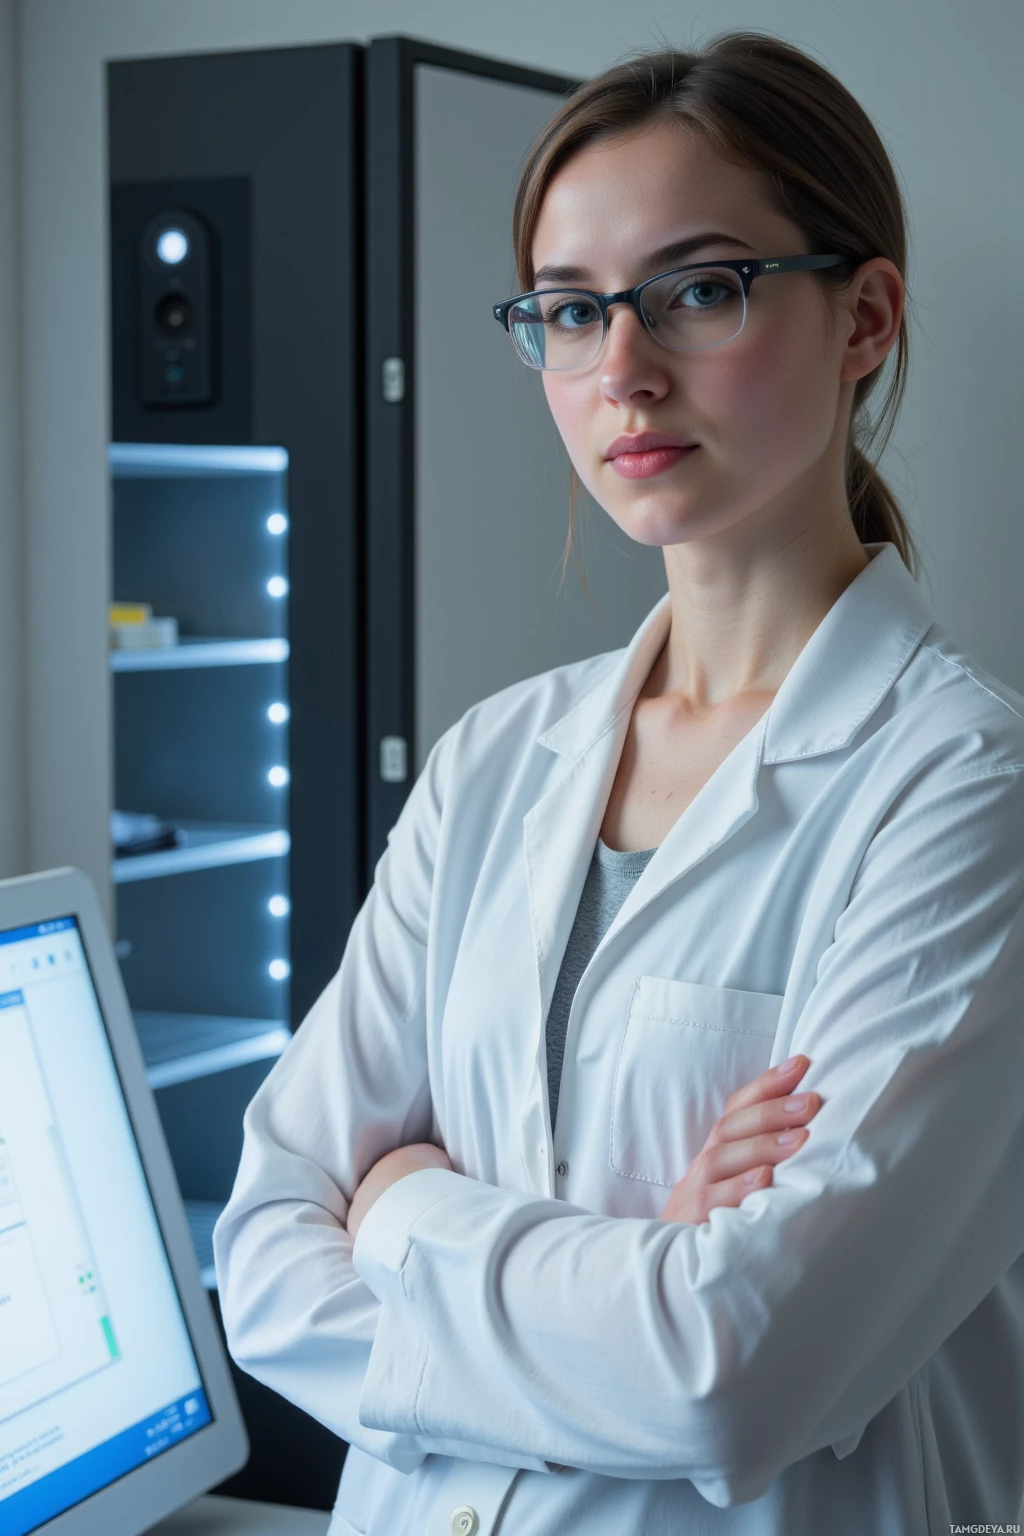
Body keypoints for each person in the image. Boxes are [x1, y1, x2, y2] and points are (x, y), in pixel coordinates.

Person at [214, 31, 1024, 1535]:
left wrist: (404, 1210)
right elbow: (261, 1252)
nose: (624, 371)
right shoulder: (492, 763)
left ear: (867, 317)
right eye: (572, 313)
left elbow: (736, 1373)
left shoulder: (969, 791)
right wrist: (634, 1257)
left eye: (699, 290)